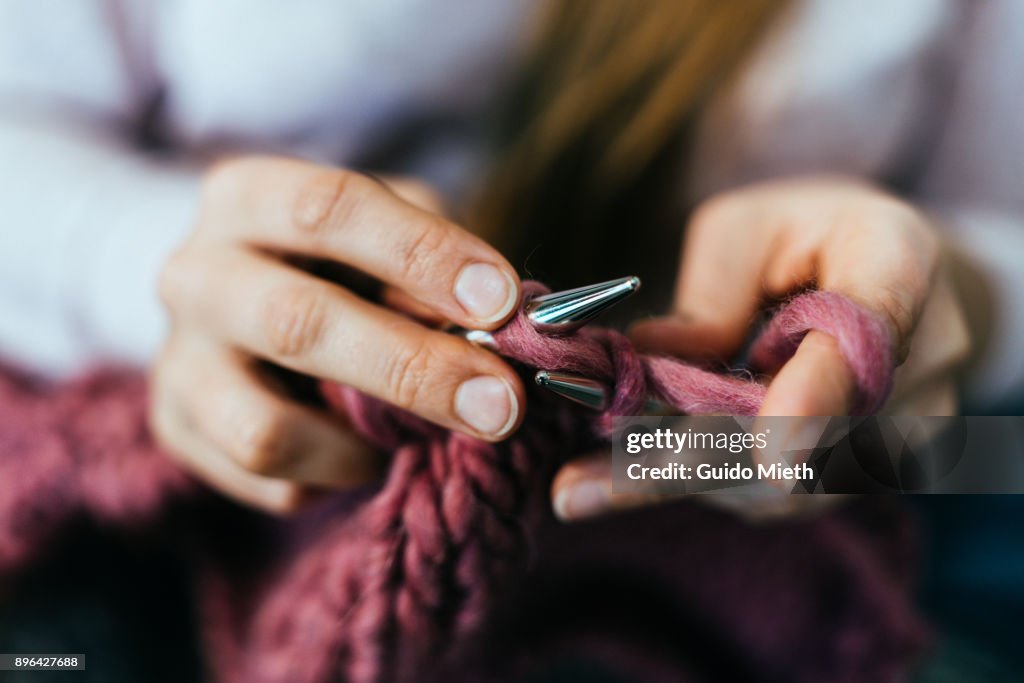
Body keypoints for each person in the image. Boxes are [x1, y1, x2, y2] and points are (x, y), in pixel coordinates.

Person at [0, 0, 1020, 522]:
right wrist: (149, 260)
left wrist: (952, 306)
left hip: (776, 526)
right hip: (172, 472)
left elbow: (998, 244)